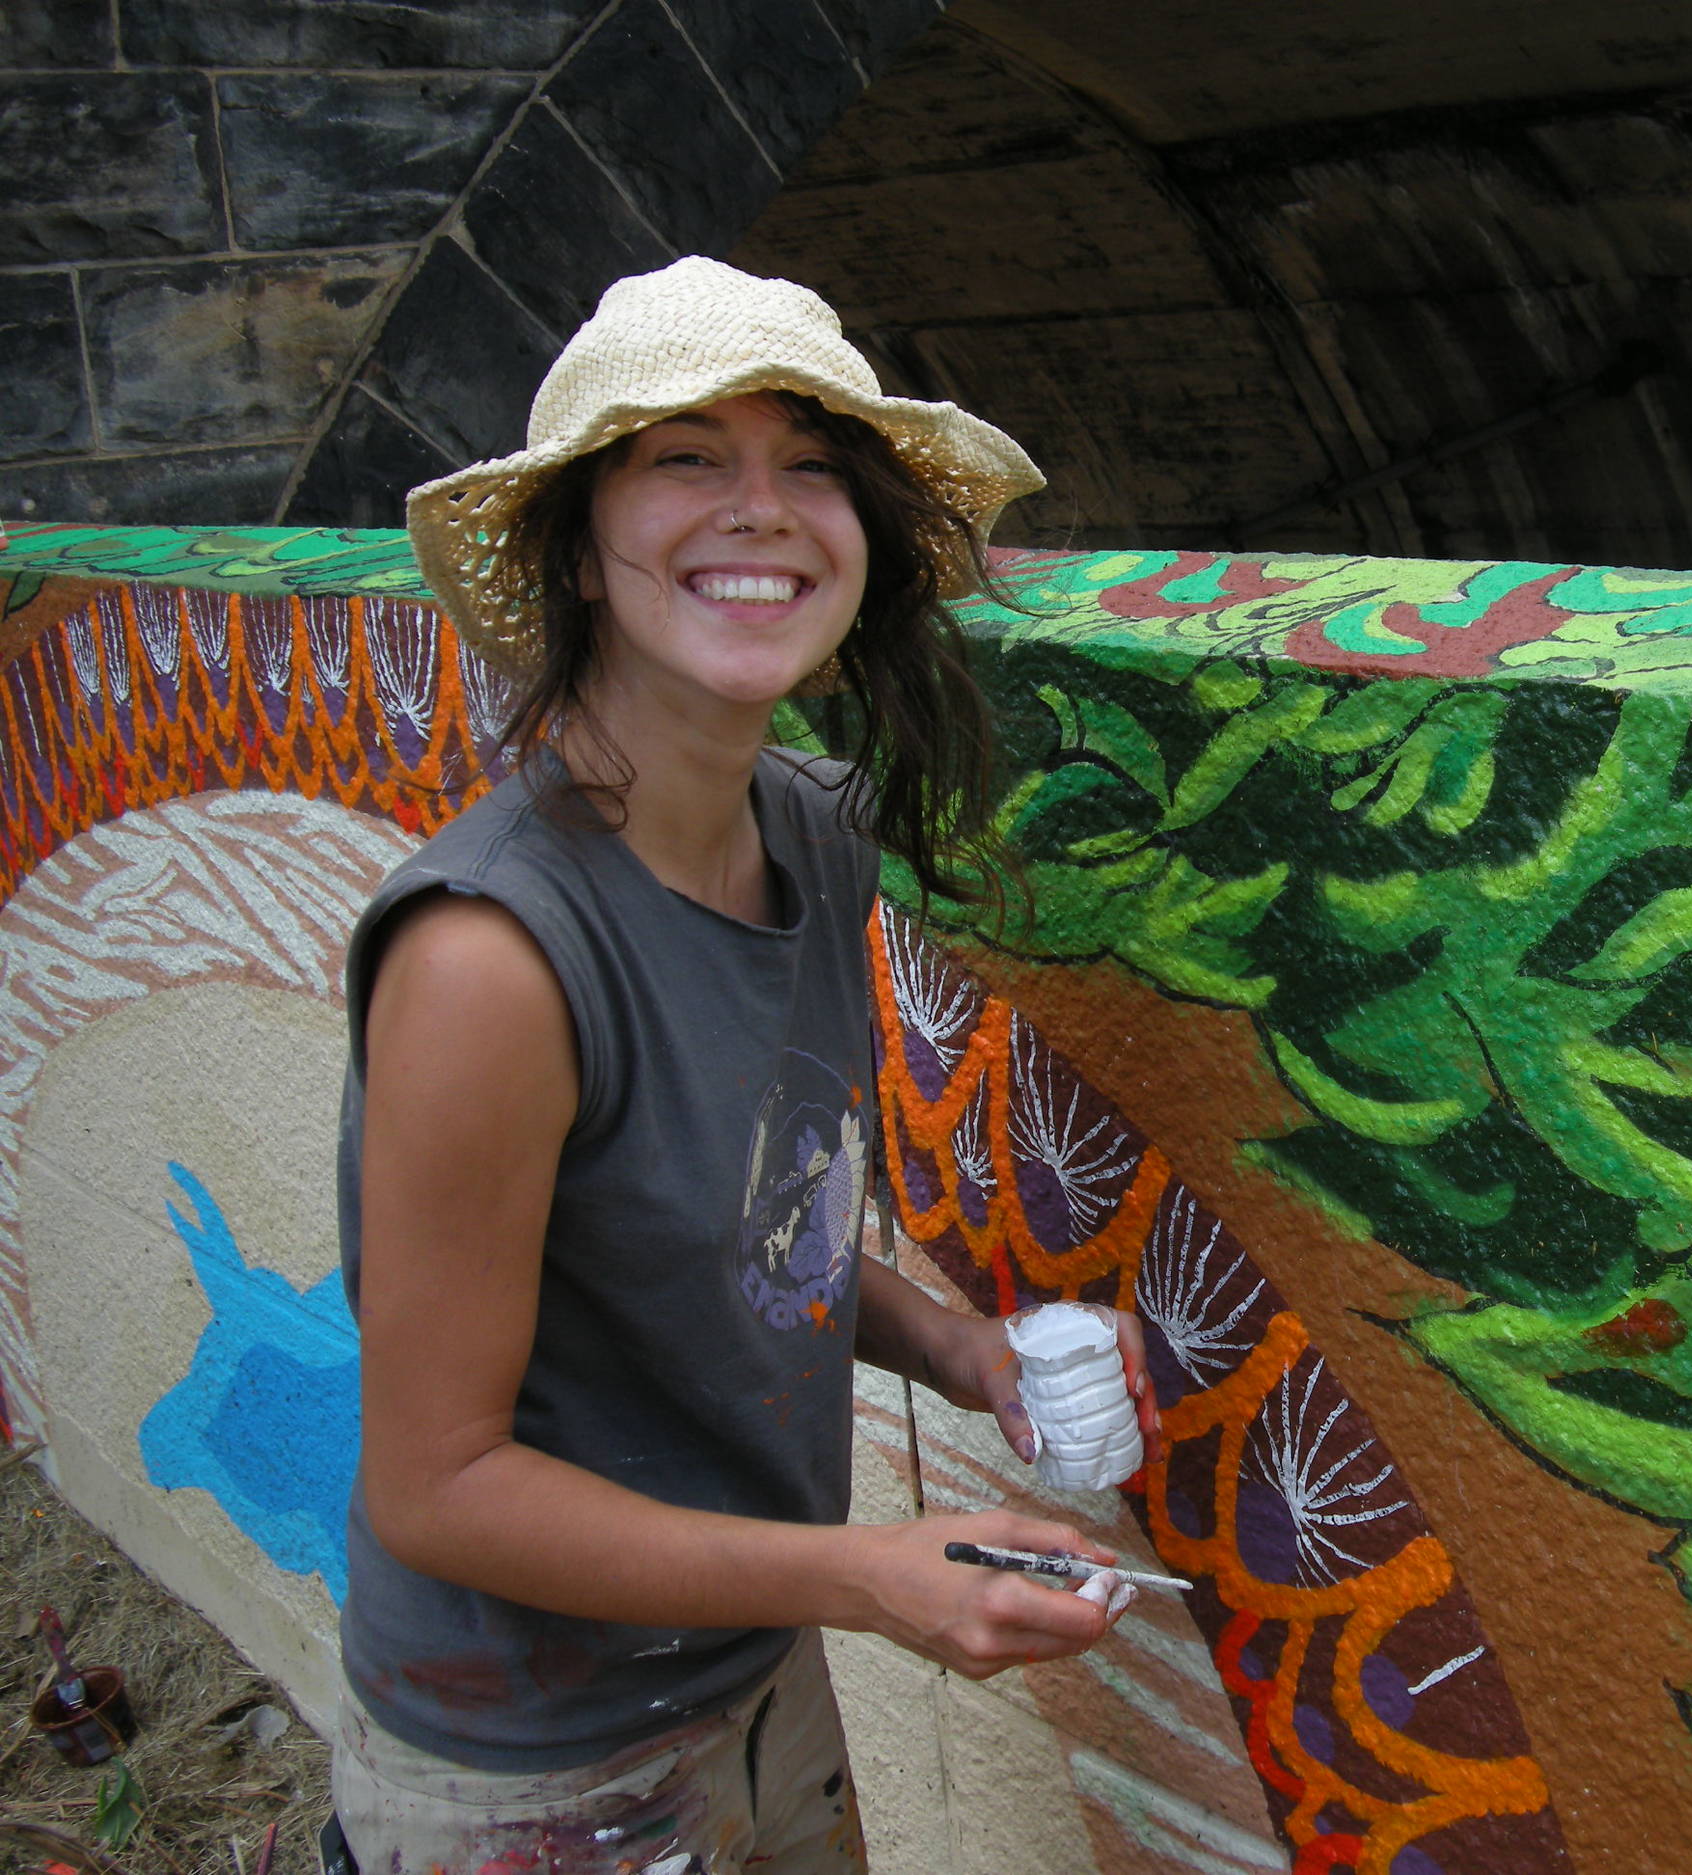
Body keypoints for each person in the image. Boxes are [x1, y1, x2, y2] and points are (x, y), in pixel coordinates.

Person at [330, 257, 1163, 1874]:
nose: (762, 510)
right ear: (580, 540)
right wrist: (868, 1574)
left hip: (752, 1668)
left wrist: (965, 1351)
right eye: (687, 459)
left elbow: (746, 1222)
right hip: (539, 1758)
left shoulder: (808, 831)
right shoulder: (490, 959)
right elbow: (436, 1488)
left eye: (808, 465)